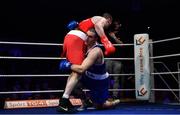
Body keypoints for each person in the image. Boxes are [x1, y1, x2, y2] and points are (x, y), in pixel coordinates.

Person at [57, 13, 116, 113]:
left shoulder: (88, 24)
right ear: (109, 20)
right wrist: (106, 41)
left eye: (90, 36)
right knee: (77, 72)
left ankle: (69, 101)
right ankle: (63, 102)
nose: (106, 26)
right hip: (76, 39)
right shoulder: (102, 20)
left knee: (75, 73)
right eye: (108, 24)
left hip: (69, 37)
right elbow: (98, 26)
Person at [106, 19, 124, 98]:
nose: (116, 26)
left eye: (118, 24)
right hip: (108, 58)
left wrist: (114, 37)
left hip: (118, 59)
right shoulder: (107, 33)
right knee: (107, 77)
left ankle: (115, 95)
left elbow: (122, 45)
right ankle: (106, 94)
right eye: (115, 24)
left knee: (116, 78)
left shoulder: (121, 34)